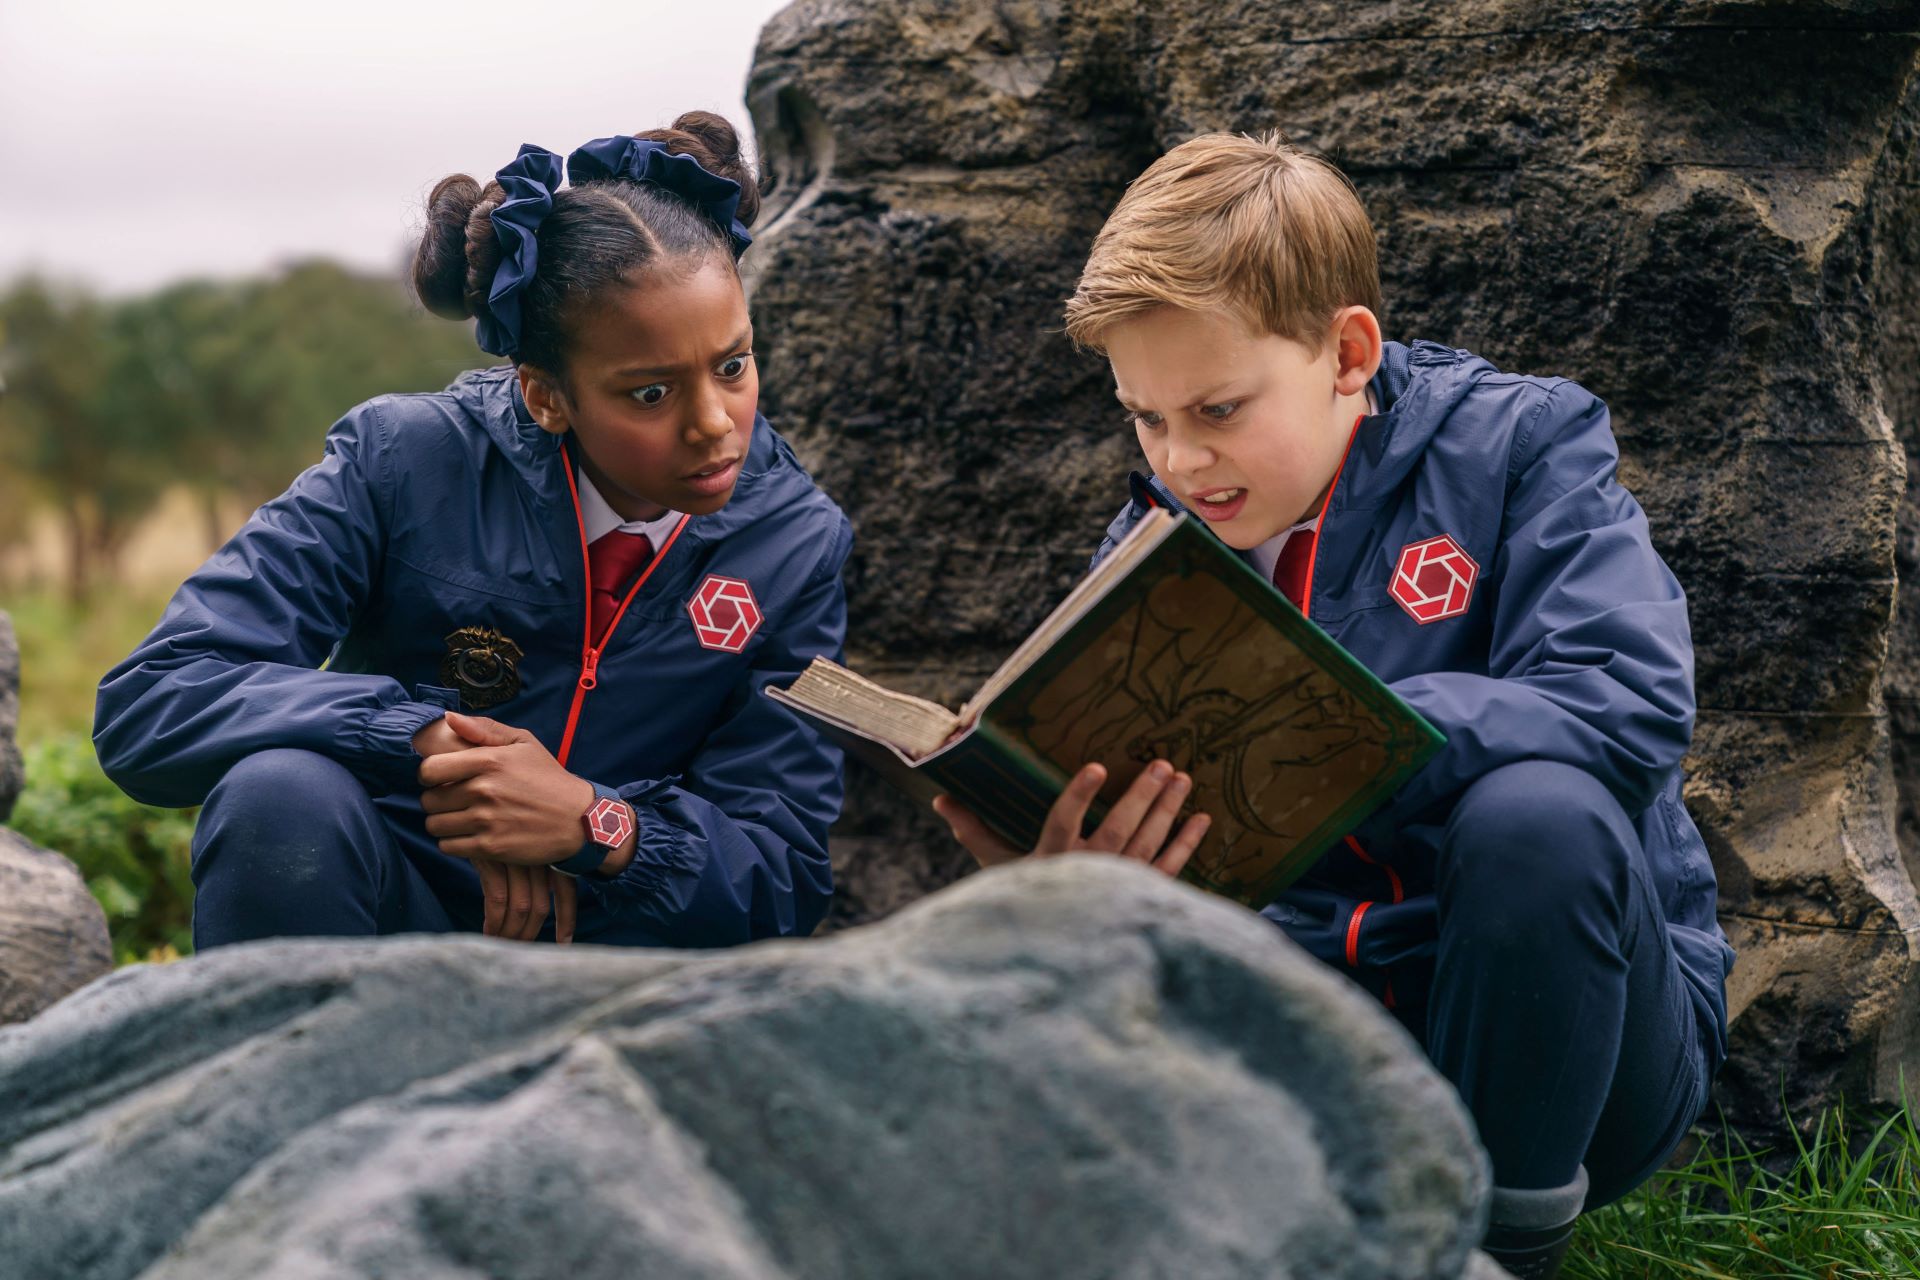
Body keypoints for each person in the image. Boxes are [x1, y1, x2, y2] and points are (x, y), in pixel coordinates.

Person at [933, 131, 1732, 1280]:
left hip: (1580, 1049)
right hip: (1317, 1028)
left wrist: (1341, 732)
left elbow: (1628, 702)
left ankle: (1500, 1250)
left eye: (1216, 407)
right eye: (1146, 418)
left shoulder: (1525, 446)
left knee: (1540, 816)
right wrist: (1072, 859)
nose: (1180, 461)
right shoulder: (1158, 544)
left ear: (1347, 350)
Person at [95, 112, 852, 952]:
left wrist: (589, 825)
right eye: (650, 393)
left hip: (615, 962)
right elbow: (153, 699)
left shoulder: (793, 543)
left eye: (733, 365)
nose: (716, 425)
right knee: (279, 794)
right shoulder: (404, 463)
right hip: (389, 908)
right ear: (546, 397)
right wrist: (432, 748)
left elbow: (783, 881)